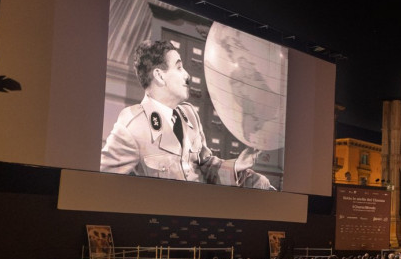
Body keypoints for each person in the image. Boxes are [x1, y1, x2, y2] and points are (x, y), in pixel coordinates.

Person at [100, 39, 273, 189]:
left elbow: (206, 166)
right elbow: (101, 182)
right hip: (165, 218)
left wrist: (236, 165)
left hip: (200, 209)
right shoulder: (133, 125)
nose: (187, 75)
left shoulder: (189, 114)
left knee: (261, 183)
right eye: (179, 67)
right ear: (160, 76)